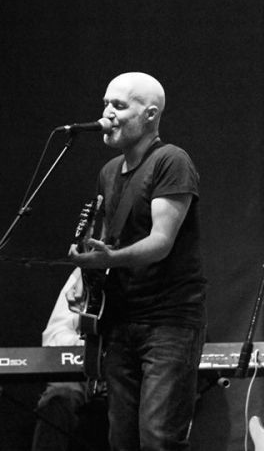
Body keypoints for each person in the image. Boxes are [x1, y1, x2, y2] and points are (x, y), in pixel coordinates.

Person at [67, 72, 207, 450]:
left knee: (159, 439)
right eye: (105, 104)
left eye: (119, 105)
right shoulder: (109, 172)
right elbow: (107, 244)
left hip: (168, 321)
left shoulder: (171, 160)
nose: (107, 113)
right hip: (120, 320)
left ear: (150, 114)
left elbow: (160, 242)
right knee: (121, 440)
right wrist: (85, 276)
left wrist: (111, 258)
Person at [32, 268, 109, 451]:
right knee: (58, 398)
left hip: (126, 369)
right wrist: (90, 346)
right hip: (83, 372)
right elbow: (53, 339)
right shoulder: (85, 272)